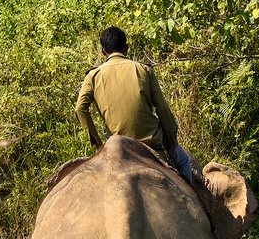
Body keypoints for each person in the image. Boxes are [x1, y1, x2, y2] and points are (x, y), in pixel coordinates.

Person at [75, 26, 205, 190]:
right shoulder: (144, 70)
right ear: (126, 48)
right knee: (184, 160)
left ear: (103, 51)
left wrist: (98, 144)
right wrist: (171, 142)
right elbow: (162, 109)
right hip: (151, 142)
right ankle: (192, 201)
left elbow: (80, 109)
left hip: (116, 145)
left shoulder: (93, 76)